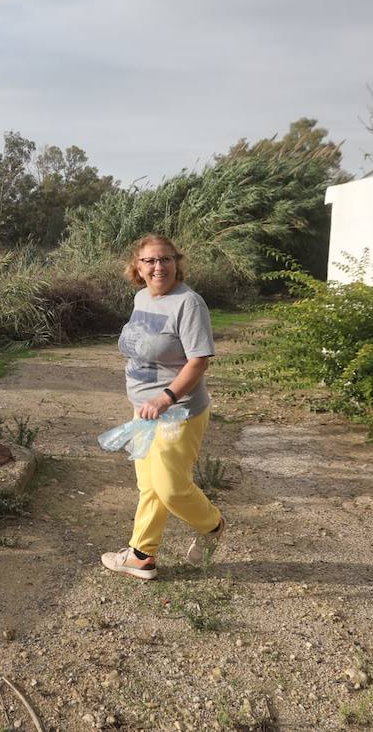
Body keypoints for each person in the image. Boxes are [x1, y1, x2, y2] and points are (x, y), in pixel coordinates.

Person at [101, 234, 225, 580]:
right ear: (137, 267)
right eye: (150, 261)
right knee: (149, 487)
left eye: (166, 259)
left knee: (171, 488)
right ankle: (142, 556)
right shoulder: (142, 297)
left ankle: (213, 526)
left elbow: (199, 361)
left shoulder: (189, 304)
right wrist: (144, 397)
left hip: (178, 411)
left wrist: (165, 396)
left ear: (177, 262)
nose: (159, 267)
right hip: (144, 411)